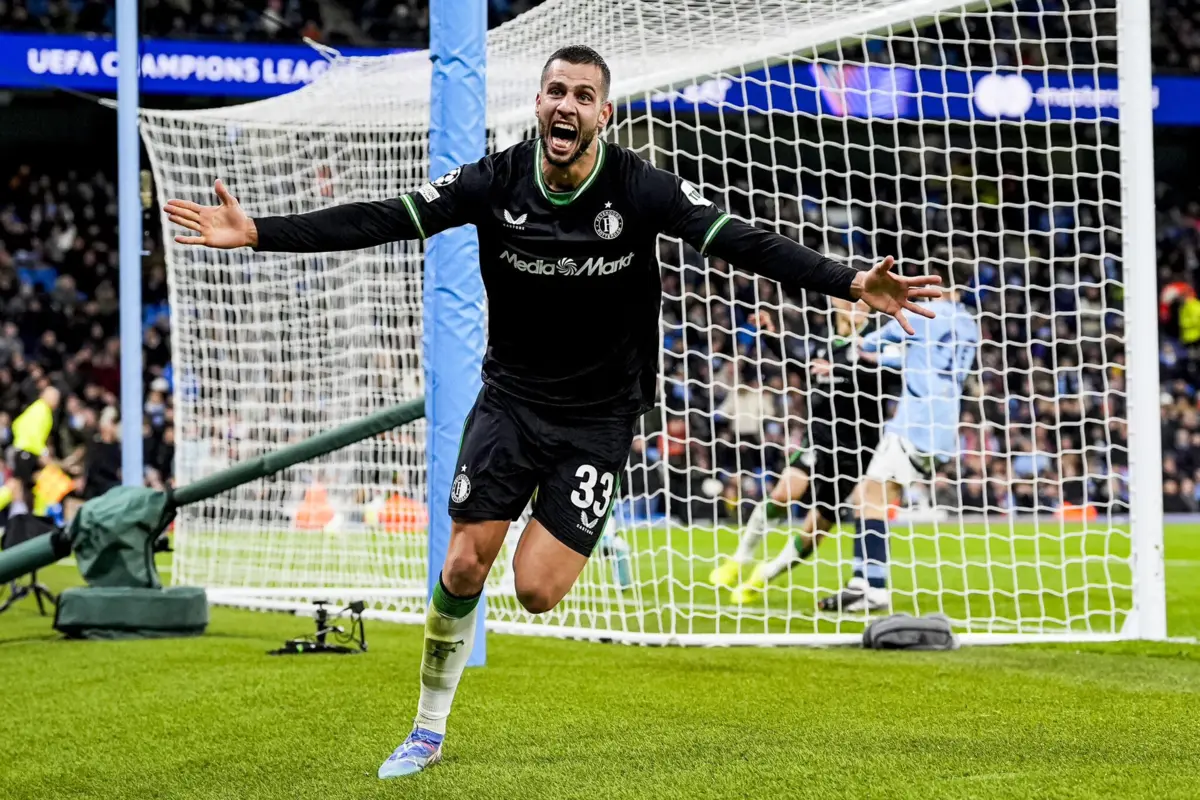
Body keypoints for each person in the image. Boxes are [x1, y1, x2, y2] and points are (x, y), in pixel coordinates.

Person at [164, 44, 942, 778]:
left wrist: (847, 283)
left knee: (537, 589)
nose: (566, 105)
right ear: (538, 103)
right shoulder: (494, 181)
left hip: (601, 418)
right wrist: (259, 233)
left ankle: (544, 532)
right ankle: (428, 726)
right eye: (556, 91)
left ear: (604, 114)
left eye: (584, 95)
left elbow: (743, 241)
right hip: (512, 400)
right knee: (466, 560)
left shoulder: (642, 188)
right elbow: (380, 218)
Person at [817, 251, 979, 613]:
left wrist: (851, 344)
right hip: (944, 429)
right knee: (869, 496)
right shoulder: (969, 324)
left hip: (915, 422)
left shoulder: (922, 315)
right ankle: (862, 582)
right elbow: (919, 358)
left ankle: (872, 588)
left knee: (867, 496)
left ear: (934, 278)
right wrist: (886, 360)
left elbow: (868, 342)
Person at [708, 296, 893, 606]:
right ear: (836, 303)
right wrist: (769, 335)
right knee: (784, 492)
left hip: (855, 450)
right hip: (819, 439)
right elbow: (801, 366)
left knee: (815, 529)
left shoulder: (875, 345)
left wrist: (840, 369)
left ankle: (763, 576)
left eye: (865, 306)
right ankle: (738, 559)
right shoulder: (826, 344)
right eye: (854, 303)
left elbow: (887, 379)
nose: (859, 310)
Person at [0, 386, 61, 521]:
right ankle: (38, 515)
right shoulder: (43, 411)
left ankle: (35, 516)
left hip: (23, 451)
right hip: (27, 452)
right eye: (55, 398)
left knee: (32, 484)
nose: (57, 401)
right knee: (16, 486)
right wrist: (41, 452)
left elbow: (17, 424)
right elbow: (35, 435)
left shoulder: (35, 408)